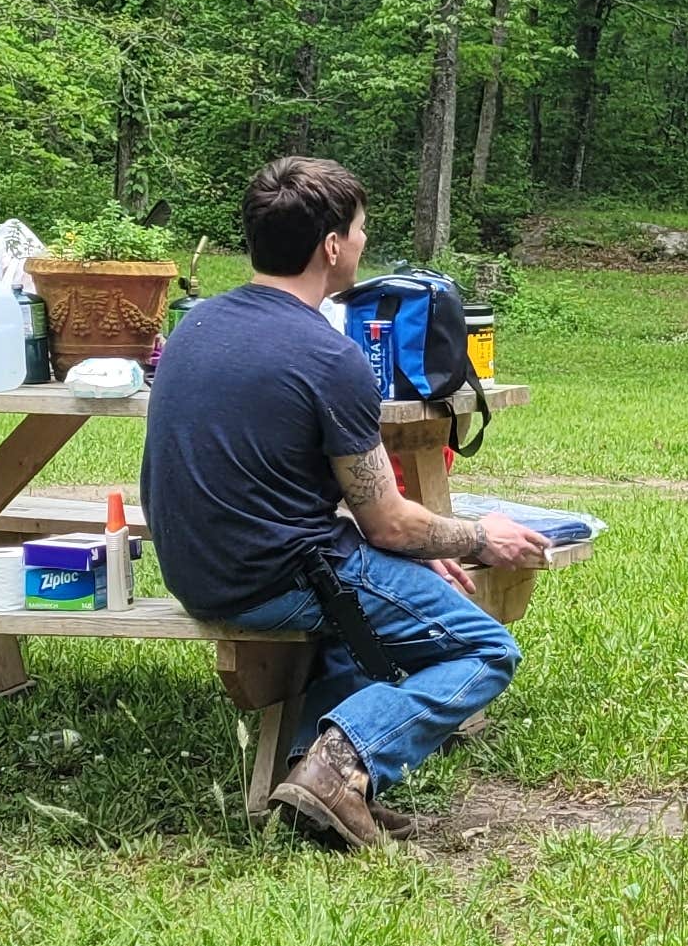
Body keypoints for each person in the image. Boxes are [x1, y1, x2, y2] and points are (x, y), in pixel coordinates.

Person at [142, 157, 550, 849]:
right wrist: (480, 538)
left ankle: (312, 781)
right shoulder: (331, 359)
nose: (363, 244)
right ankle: (341, 765)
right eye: (360, 231)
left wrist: (420, 553)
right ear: (332, 246)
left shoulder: (195, 327)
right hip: (275, 576)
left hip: (192, 567)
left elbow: (278, 484)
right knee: (486, 650)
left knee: (369, 608)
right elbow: (388, 523)